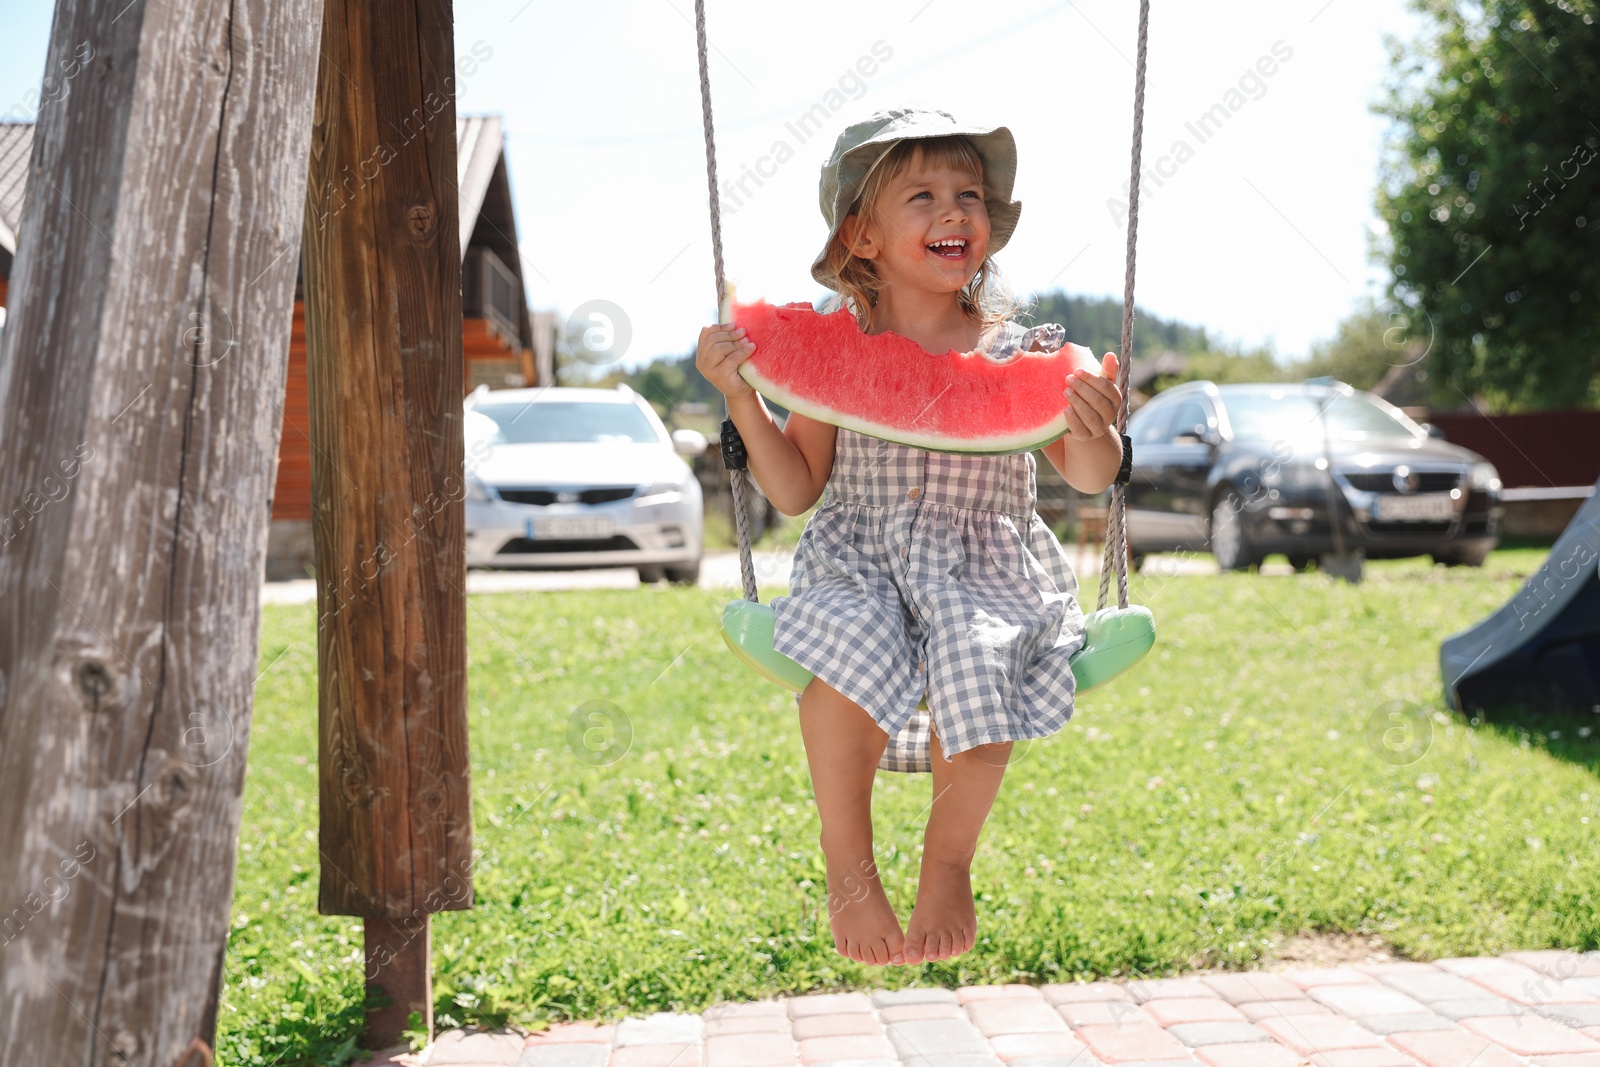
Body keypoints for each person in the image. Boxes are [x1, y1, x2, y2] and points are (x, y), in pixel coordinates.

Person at [694, 107, 1125, 968]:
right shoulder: (835, 353)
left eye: (969, 195)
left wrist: (1097, 425)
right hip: (863, 558)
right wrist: (743, 396)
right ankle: (848, 865)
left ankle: (947, 861)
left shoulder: (1023, 352)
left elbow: (1087, 474)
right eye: (921, 196)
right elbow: (793, 488)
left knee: (983, 653)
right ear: (862, 235)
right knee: (843, 645)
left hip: (987, 563)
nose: (954, 212)